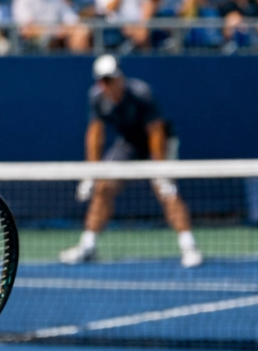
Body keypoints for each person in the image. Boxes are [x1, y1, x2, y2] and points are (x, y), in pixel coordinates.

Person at [59, 54, 202, 269]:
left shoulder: (141, 93)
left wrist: (160, 169)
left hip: (159, 144)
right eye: (103, 80)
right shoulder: (97, 97)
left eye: (111, 79)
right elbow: (95, 135)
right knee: (102, 188)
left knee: (167, 191)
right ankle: (88, 246)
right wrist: (91, 172)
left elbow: (156, 132)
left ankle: (188, 246)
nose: (108, 84)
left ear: (120, 77)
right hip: (128, 144)